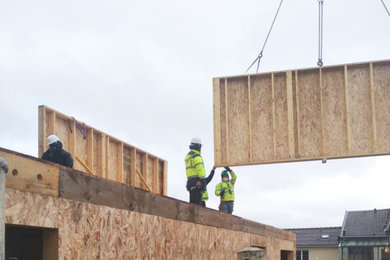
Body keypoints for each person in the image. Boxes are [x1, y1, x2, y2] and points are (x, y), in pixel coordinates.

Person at [185, 137, 206, 205]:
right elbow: (200, 170)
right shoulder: (197, 157)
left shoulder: (189, 157)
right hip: (197, 182)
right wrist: (203, 182)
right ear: (198, 146)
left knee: (192, 204)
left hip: (190, 182)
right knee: (197, 205)